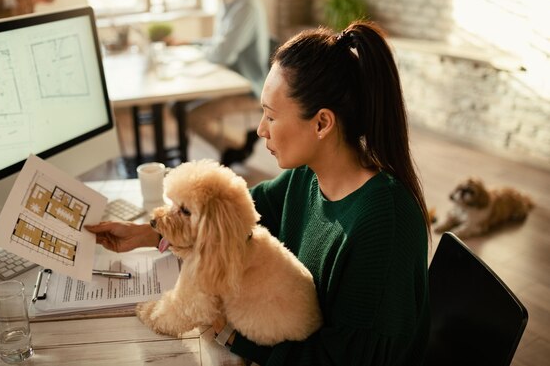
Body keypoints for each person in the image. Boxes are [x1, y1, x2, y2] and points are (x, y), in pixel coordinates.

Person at [87, 21, 431, 365]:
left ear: (322, 123)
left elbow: (344, 360)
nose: (260, 129)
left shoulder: (384, 223)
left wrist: (231, 335)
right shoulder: (306, 176)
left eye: (270, 116)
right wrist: (147, 233)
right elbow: (235, 214)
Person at [176, 0, 270, 166]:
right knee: (176, 107)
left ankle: (237, 146)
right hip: (227, 79)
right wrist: (190, 43)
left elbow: (221, 54)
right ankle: (238, 145)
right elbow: (218, 44)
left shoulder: (246, 6)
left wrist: (200, 52)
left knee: (190, 115)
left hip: (248, 86)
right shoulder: (229, 1)